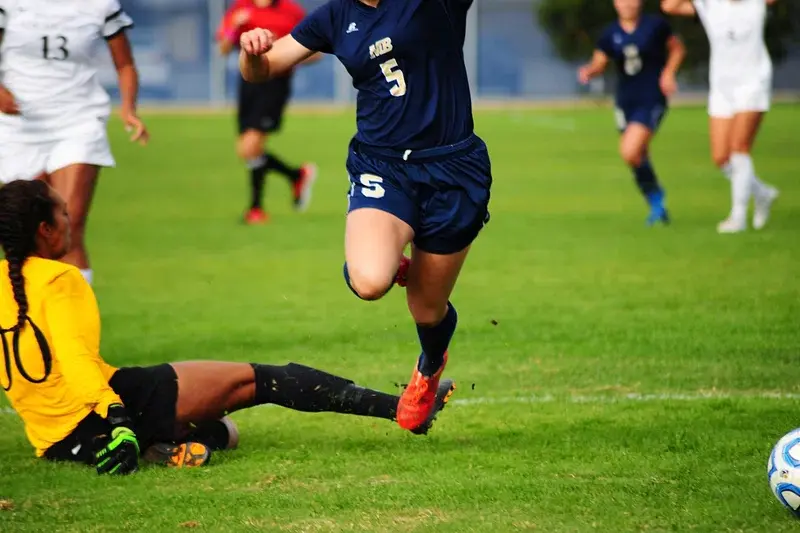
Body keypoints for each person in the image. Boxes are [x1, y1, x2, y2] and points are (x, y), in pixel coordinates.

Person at [0, 179, 455, 475]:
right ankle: (405, 409)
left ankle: (158, 442)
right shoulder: (61, 279)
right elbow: (77, 360)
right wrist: (116, 415)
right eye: (63, 214)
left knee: (225, 433)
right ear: (44, 229)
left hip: (55, 440)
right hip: (108, 408)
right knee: (266, 379)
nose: (70, 219)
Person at [238, 0, 492, 433]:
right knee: (370, 280)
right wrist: (252, 51)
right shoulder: (335, 15)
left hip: (453, 169)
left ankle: (429, 367)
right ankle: (385, 257)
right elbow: (263, 68)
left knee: (427, 309)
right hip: (382, 165)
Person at [0, 0, 149, 284]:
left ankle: (76, 321)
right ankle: (28, 318)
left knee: (68, 225)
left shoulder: (100, 5)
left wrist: (129, 109)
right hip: (19, 126)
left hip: (77, 121)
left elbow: (126, 64)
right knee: (27, 232)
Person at [661, 0, 780, 233]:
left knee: (739, 148)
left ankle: (738, 216)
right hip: (722, 85)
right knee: (721, 157)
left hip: (753, 81)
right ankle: (762, 193)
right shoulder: (709, 4)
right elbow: (669, 6)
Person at [579, 0, 685, 226]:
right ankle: (656, 203)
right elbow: (600, 62)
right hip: (625, 101)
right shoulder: (610, 33)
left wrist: (668, 73)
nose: (627, 4)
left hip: (651, 98)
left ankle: (657, 198)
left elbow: (677, 48)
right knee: (636, 155)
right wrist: (590, 71)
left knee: (630, 150)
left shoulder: (655, 25)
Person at [217, 0, 318, 224]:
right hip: (248, 82)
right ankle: (296, 175)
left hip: (275, 83)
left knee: (251, 145)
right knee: (247, 149)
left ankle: (255, 209)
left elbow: (316, 52)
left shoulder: (291, 12)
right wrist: (234, 26)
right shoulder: (240, 8)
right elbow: (223, 48)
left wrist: (286, 57)